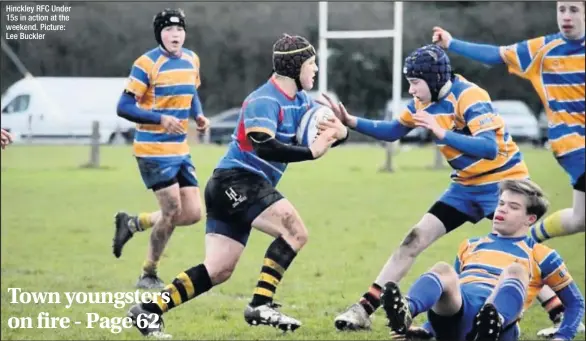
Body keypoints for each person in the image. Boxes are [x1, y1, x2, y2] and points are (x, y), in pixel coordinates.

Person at [124, 34, 349, 338]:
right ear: (295, 66)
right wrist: (312, 152)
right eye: (311, 63)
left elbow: (317, 137)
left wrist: (340, 133)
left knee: (218, 270)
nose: (316, 69)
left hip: (237, 186)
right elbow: (264, 146)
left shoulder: (301, 101)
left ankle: (148, 311)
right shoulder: (264, 100)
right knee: (295, 232)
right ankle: (260, 303)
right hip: (237, 180)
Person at [322, 44, 531, 331]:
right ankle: (363, 309)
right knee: (413, 239)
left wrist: (442, 132)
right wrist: (351, 121)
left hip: (502, 184)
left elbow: (489, 148)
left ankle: (562, 315)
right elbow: (395, 130)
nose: (411, 90)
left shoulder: (470, 96)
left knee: (524, 253)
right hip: (465, 186)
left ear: (434, 80)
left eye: (415, 83)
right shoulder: (423, 103)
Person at [432, 2, 585, 335]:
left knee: (579, 219)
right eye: (562, 10)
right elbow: (497, 55)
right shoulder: (543, 48)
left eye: (574, 9)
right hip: (572, 144)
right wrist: (451, 43)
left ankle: (529, 239)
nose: (567, 17)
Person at [381, 179, 585, 341]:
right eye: (501, 203)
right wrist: (427, 330)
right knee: (444, 270)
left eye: (513, 207)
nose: (502, 209)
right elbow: (451, 294)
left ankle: (491, 323)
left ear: (530, 219)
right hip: (457, 322)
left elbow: (575, 302)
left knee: (516, 271)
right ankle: (405, 310)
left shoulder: (540, 254)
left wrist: (563, 336)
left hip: (501, 328)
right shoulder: (470, 245)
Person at [111, 8, 210, 289]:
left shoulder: (192, 59)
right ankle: (148, 274)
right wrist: (160, 119)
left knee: (191, 214)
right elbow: (124, 107)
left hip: (180, 149)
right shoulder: (146, 64)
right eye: (168, 30)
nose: (175, 34)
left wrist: (198, 116)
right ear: (159, 34)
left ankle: (132, 223)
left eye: (179, 29)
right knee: (170, 211)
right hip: (152, 151)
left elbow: (191, 93)